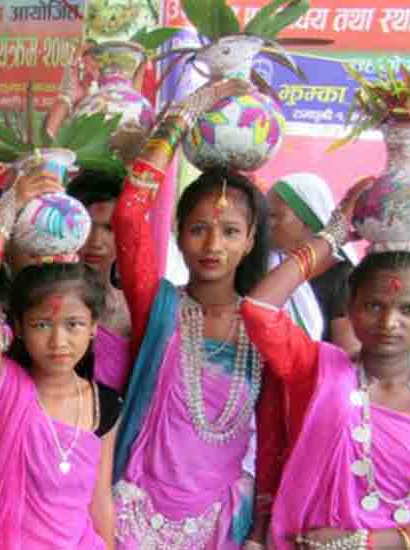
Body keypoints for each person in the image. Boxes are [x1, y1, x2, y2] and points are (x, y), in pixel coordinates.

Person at [111, 78, 270, 549]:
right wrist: (184, 114)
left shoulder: (265, 329)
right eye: (199, 229)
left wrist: (260, 532)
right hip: (135, 514)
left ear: (250, 239)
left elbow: (276, 438)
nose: (213, 245)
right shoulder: (160, 307)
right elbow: (128, 215)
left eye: (230, 231)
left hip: (219, 523)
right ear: (179, 234)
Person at [238, 180, 410, 549]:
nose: (389, 323)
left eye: (409, 309)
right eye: (374, 306)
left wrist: (362, 543)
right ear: (350, 307)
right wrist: (331, 236)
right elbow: (259, 310)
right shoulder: (320, 369)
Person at [0, 172, 122, 550]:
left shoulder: (106, 404)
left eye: (73, 324)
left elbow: (100, 503)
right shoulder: (3, 385)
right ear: (18, 327)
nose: (59, 342)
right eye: (42, 324)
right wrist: (4, 215)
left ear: (94, 327)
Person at [267, 173, 359, 352]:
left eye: (275, 216)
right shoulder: (268, 266)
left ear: (307, 222)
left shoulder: (342, 277)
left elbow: (348, 352)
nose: (267, 224)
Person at [69, 170, 132, 392]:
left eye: (109, 229)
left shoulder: (132, 312)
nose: (95, 241)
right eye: (85, 225)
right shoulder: (41, 298)